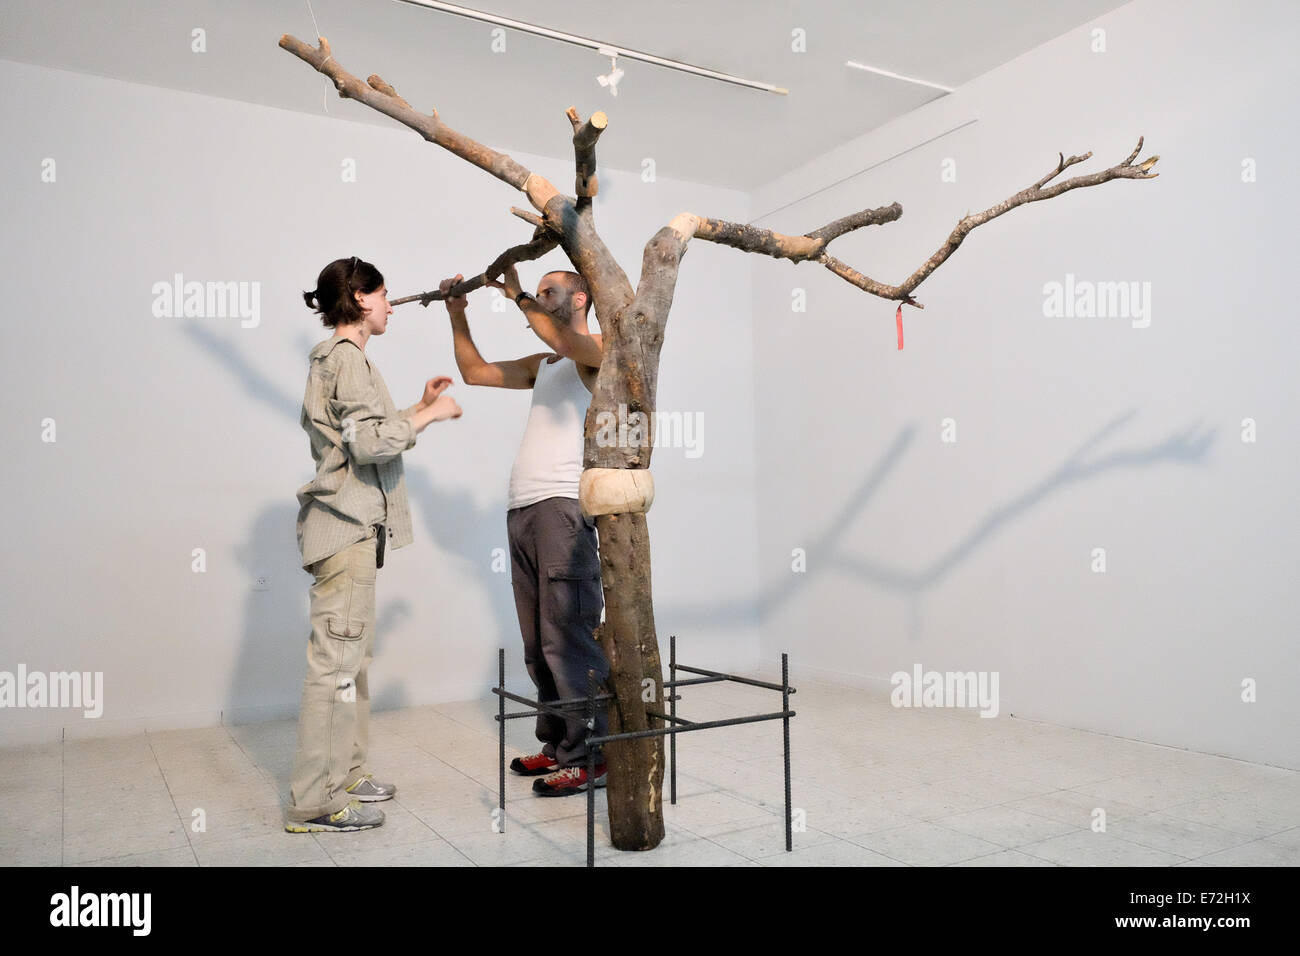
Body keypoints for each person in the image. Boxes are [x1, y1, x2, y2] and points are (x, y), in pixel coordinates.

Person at [285, 255, 462, 832]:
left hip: (349, 531)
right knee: (335, 666)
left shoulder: (340, 359)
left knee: (351, 662)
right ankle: (315, 799)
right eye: (384, 295)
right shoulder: (348, 358)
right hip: (346, 531)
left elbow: (357, 430)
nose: (390, 305)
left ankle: (350, 772)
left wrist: (415, 404)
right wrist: (432, 417)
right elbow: (367, 445)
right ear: (360, 299)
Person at [443, 265, 610, 796]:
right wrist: (457, 312)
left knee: (568, 637)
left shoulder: (602, 350)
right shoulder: (545, 363)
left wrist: (515, 293)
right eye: (535, 294)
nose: (538, 300)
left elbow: (560, 334)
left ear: (580, 297)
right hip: (522, 510)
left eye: (549, 292)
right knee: (538, 644)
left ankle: (592, 756)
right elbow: (474, 372)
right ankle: (559, 745)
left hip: (563, 507)